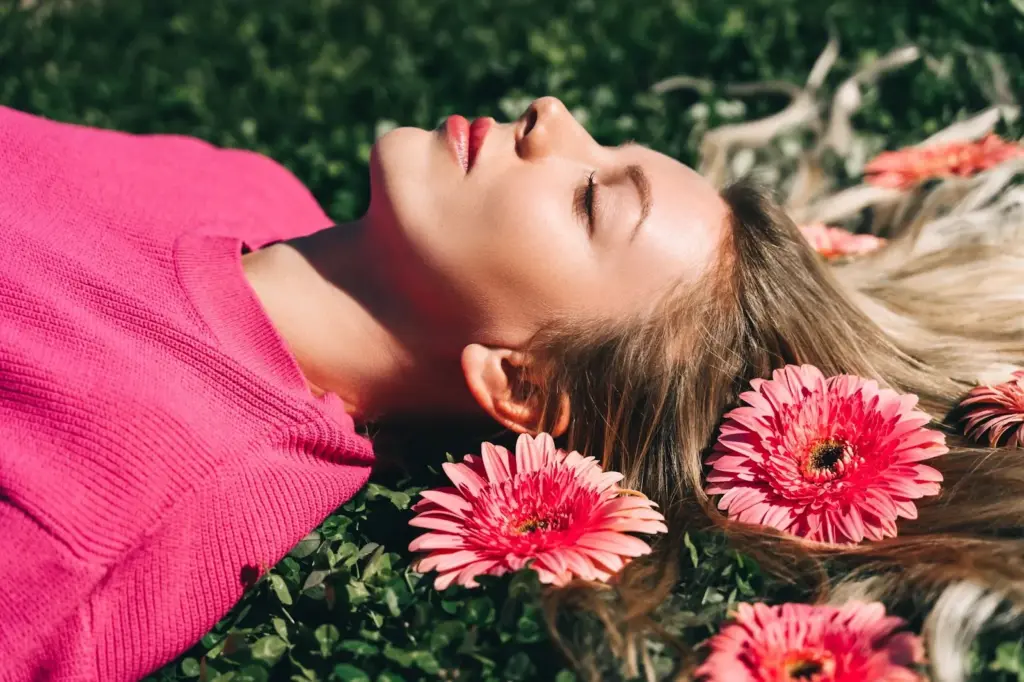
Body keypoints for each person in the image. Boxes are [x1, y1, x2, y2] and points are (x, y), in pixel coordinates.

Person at [0, 96, 1021, 681]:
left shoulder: (118, 514)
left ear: (522, 386)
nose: (553, 115)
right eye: (601, 146)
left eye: (590, 199)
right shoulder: (247, 187)